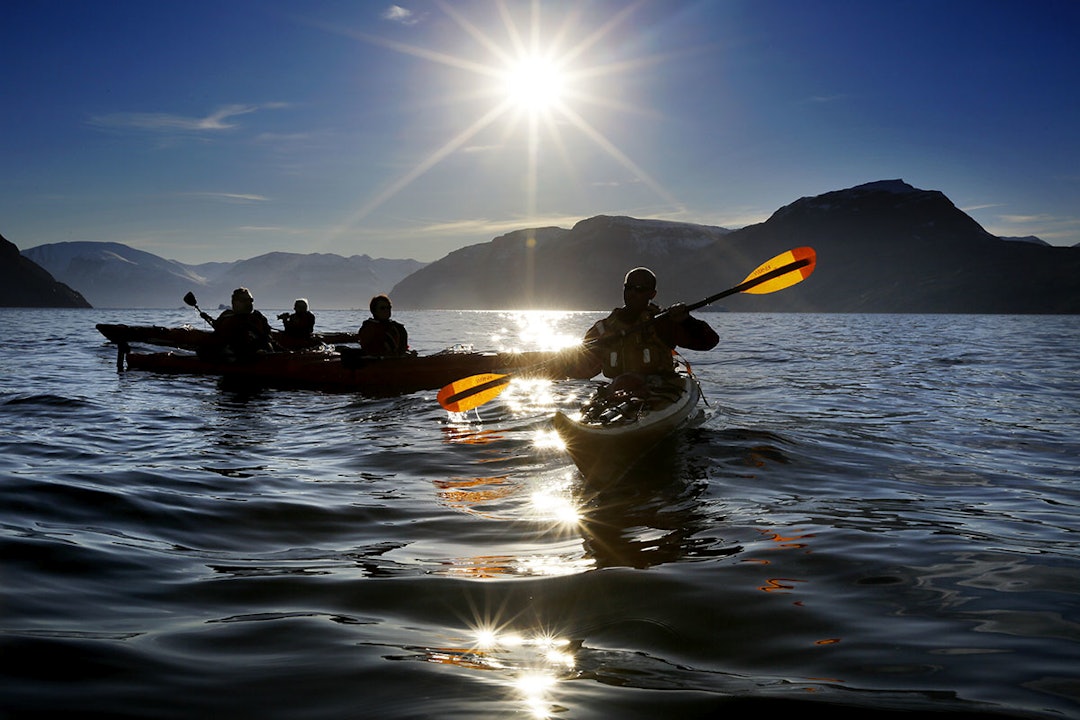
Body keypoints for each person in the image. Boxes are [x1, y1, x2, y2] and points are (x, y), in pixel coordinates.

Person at [583, 266, 718, 396]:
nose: (633, 293)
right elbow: (581, 367)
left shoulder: (663, 323)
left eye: (640, 289)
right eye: (629, 288)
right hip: (619, 391)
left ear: (652, 294)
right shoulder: (603, 329)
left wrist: (687, 321)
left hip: (660, 391)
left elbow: (709, 342)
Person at [203, 287, 275, 360]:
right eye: (244, 300)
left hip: (263, 353)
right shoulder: (227, 318)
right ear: (235, 302)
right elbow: (220, 338)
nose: (249, 303)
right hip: (239, 355)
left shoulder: (258, 317)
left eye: (250, 300)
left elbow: (268, 335)